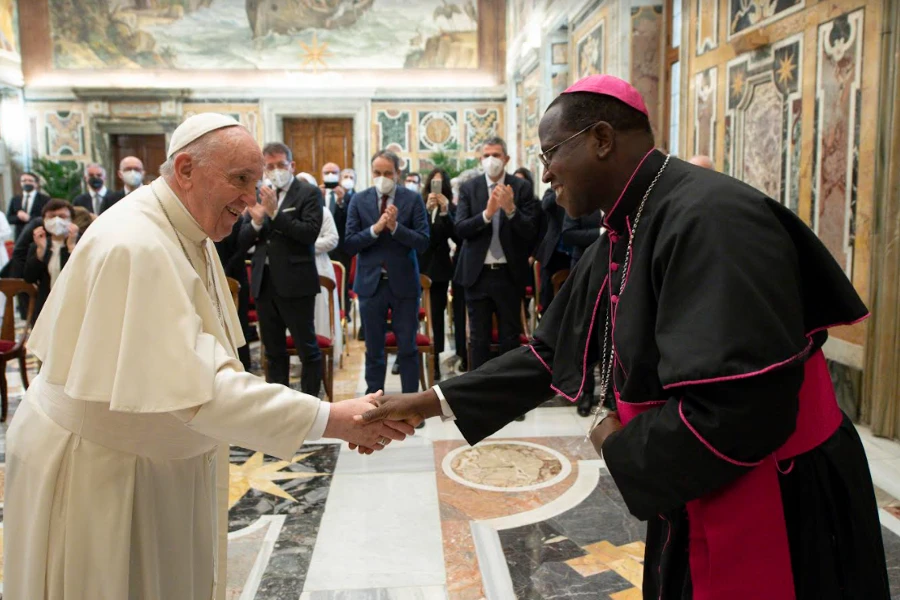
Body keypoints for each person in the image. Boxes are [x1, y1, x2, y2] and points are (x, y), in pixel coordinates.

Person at [358, 75, 890, 598]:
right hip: (694, 477)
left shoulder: (711, 218)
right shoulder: (627, 226)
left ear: (602, 139)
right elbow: (549, 355)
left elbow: (743, 409)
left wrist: (621, 447)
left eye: (550, 155)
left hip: (777, 492)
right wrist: (428, 403)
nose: (545, 176)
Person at [4, 114, 414, 600]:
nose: (250, 197)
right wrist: (332, 418)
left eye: (256, 182)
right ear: (185, 169)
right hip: (102, 471)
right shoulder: (138, 244)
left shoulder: (180, 226)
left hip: (149, 459)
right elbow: (203, 388)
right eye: (239, 180)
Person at [344, 150, 429, 395]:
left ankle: (411, 404)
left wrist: (395, 228)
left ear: (398, 173)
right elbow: (349, 243)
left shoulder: (412, 200)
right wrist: (375, 228)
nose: (382, 177)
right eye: (377, 173)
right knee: (374, 349)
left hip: (404, 285)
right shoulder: (359, 200)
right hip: (371, 285)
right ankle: (374, 402)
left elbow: (423, 242)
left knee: (408, 348)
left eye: (388, 173)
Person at [241, 144, 323, 396]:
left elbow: (309, 233)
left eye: (280, 165)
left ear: (292, 166)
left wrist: (275, 213)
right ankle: (280, 409)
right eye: (270, 166)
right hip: (265, 284)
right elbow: (242, 242)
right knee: (273, 351)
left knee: (306, 348)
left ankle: (310, 407)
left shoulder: (307, 192)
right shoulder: (258, 193)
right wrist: (255, 222)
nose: (276, 171)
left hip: (296, 283)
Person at [454, 137, 538, 371]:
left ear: (506, 159)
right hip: (477, 275)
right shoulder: (470, 188)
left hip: (509, 275)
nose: (492, 160)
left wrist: (511, 210)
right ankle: (478, 398)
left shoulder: (521, 188)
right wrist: (486, 215)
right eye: (487, 155)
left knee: (510, 339)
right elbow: (460, 228)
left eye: (496, 155)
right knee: (478, 340)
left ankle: (508, 398)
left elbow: (530, 231)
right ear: (480, 159)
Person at [419, 168, 456, 381]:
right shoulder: (420, 203)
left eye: (441, 185)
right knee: (417, 314)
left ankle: (435, 357)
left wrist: (444, 211)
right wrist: (427, 210)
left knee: (437, 316)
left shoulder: (450, 206)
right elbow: (420, 233)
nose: (437, 189)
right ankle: (415, 352)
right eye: (434, 184)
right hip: (421, 266)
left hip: (440, 269)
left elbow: (454, 235)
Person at [22, 199, 79, 323]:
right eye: (52, 217)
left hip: (73, 303)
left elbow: (80, 274)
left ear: (71, 220)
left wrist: (71, 248)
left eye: (62, 216)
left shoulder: (81, 243)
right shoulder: (38, 245)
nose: (57, 220)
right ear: (44, 220)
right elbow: (29, 277)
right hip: (46, 304)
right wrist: (40, 251)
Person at [314, 205, 343, 357]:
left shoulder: (322, 211)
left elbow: (333, 239)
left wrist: (306, 246)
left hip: (319, 265)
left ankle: (325, 352)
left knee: (322, 310)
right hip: (292, 267)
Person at [7, 171, 49, 241]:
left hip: (37, 236)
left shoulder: (45, 199)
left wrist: (29, 218)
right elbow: (9, 218)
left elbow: (46, 219)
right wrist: (19, 217)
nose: (27, 183)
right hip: (19, 236)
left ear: (36, 184)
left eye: (30, 181)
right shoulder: (15, 199)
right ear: (21, 183)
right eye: (24, 181)